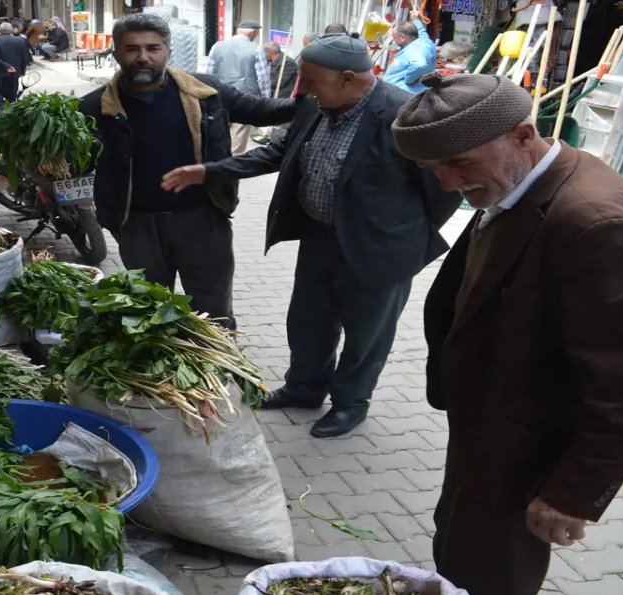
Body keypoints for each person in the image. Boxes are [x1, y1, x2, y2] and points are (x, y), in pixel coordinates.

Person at [391, 73, 623, 595]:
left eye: (461, 164)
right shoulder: (516, 182)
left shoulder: (595, 222)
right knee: (462, 564)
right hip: (493, 434)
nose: (448, 182)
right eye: (435, 169)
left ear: (523, 135)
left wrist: (572, 493)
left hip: (529, 455)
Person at [160, 34, 459, 436]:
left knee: (366, 333)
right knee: (307, 320)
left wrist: (405, 234)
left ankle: (351, 403)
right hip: (320, 237)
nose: (302, 89)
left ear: (348, 79)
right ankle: (304, 387)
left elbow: (445, 187)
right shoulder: (317, 106)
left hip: (380, 248)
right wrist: (211, 171)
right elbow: (280, 151)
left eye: (312, 81)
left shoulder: (403, 115)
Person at [79, 13, 295, 327]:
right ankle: (163, 374)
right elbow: (74, 163)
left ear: (169, 52)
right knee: (150, 313)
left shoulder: (205, 91)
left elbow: (260, 111)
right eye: (132, 49)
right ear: (115, 53)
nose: (143, 57)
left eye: (152, 48)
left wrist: (311, 101)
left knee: (212, 314)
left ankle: (218, 371)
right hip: (137, 226)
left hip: (203, 221)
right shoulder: (94, 107)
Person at [206, 20, 263, 154]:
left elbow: (208, 73)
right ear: (253, 32)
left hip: (219, 95)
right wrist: (264, 99)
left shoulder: (217, 46)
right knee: (238, 135)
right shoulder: (256, 48)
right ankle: (232, 167)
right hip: (246, 97)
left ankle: (219, 164)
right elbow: (262, 77)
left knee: (220, 132)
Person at [252, 41, 299, 144]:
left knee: (279, 124)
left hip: (282, 97)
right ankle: (267, 135)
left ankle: (275, 140)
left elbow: (278, 83)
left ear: (269, 52)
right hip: (272, 96)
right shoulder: (268, 62)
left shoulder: (287, 63)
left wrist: (263, 84)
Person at [383, 11, 437, 94]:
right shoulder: (424, 41)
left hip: (404, 95)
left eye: (395, 38)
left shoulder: (415, 49)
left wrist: (409, 80)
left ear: (402, 38)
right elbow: (421, 31)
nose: (394, 40)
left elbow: (419, 65)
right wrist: (415, 19)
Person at [0, 22, 32, 110]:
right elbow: (24, 58)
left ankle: (1, 109)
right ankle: (9, 112)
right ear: (11, 30)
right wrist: (22, 72)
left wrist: (5, 66)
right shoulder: (21, 41)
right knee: (11, 97)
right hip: (14, 74)